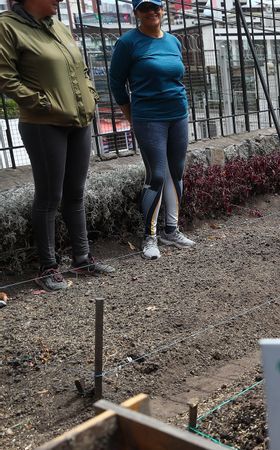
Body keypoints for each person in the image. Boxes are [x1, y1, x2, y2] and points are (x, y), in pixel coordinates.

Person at [0, 0, 115, 291]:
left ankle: (82, 258)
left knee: (75, 193)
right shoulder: (7, 27)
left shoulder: (59, 26)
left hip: (79, 121)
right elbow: (5, 76)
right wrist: (42, 103)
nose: (60, 0)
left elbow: (82, 69)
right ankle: (48, 267)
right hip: (43, 124)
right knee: (50, 195)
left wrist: (90, 95)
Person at [110, 0, 194, 261]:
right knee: (156, 175)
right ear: (136, 13)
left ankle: (172, 230)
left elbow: (177, 77)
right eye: (144, 8)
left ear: (161, 9)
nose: (151, 12)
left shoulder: (173, 42)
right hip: (148, 118)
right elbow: (116, 83)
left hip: (178, 114)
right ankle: (150, 236)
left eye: (155, 6)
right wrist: (131, 116)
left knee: (176, 172)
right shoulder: (128, 43)